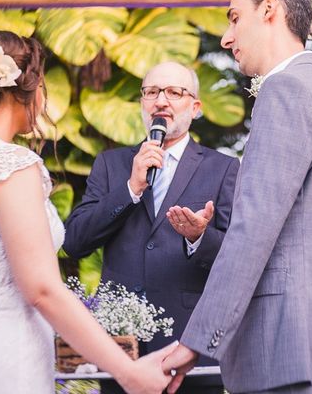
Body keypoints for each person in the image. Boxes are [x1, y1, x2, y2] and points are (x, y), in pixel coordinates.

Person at [0, 31, 176, 394]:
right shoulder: (10, 163)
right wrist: (127, 371)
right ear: (25, 89)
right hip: (5, 357)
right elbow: (42, 289)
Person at [164, 0, 312, 394]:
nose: (226, 38)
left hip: (281, 345)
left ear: (270, 10)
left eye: (234, 18)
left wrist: (196, 340)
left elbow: (254, 228)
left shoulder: (285, 90)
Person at [64, 61, 240, 394]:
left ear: (196, 106)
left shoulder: (223, 169)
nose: (161, 101)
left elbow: (238, 257)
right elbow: (75, 242)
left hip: (190, 347)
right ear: (143, 103)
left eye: (174, 92)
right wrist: (130, 188)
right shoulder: (111, 164)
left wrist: (198, 238)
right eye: (152, 92)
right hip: (121, 350)